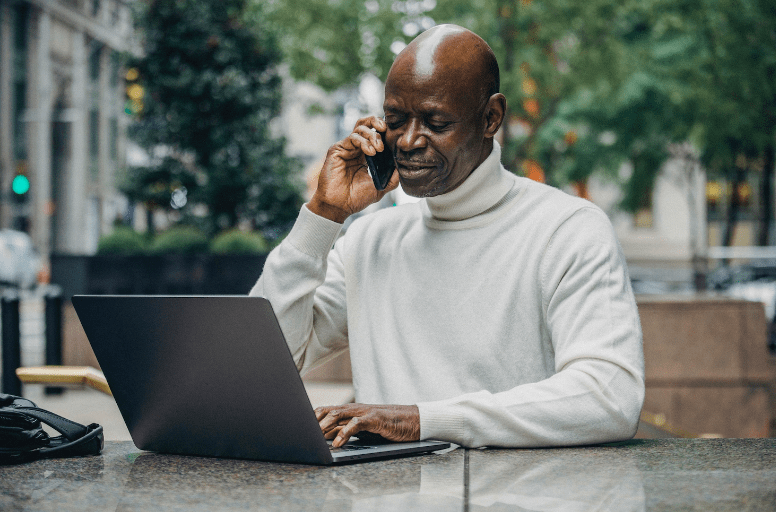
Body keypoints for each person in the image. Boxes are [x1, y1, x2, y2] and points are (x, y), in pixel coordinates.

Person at [250, 24, 644, 448]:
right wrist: (322, 216)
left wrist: (424, 420)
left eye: (436, 122)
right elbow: (258, 365)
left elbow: (609, 396)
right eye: (396, 120)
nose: (409, 140)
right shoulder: (370, 242)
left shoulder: (568, 229)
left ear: (491, 117)